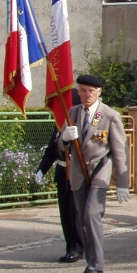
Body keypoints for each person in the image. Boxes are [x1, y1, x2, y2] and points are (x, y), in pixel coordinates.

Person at [58, 74, 129, 273]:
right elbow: (61, 147)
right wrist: (65, 138)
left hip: (100, 170)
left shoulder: (109, 115)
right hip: (79, 172)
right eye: (82, 91)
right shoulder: (73, 112)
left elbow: (120, 151)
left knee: (92, 214)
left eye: (90, 91)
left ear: (99, 92)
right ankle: (91, 263)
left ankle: (96, 266)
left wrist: (122, 184)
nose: (86, 94)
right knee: (83, 220)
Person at [35, 103, 83, 263]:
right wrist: (42, 169)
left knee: (75, 212)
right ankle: (70, 246)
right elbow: (52, 149)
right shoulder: (60, 125)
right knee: (65, 214)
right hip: (62, 173)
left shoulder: (81, 123)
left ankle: (78, 247)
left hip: (77, 173)